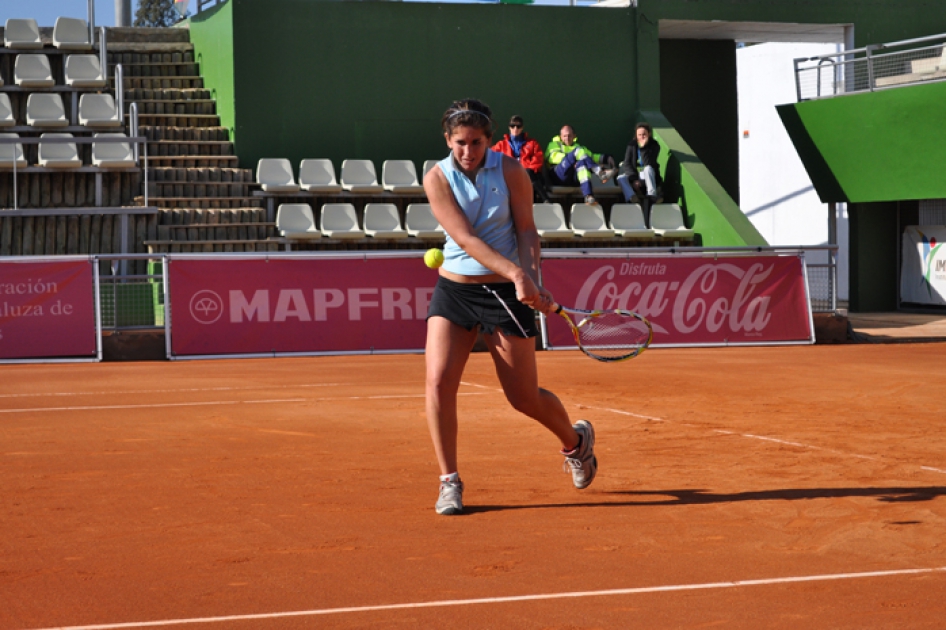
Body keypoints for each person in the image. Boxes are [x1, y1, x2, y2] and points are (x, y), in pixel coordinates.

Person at [422, 99, 598, 516]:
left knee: (523, 398)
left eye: (477, 142)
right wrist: (517, 274)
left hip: (505, 293)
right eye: (461, 143)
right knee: (438, 384)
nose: (468, 151)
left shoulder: (512, 171)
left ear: (489, 139)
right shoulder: (437, 177)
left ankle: (576, 443)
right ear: (448, 140)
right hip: (455, 291)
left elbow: (526, 230)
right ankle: (449, 481)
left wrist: (531, 275)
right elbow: (465, 239)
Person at [545, 125, 616, 206]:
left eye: (569, 135)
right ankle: (600, 173)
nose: (567, 138)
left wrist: (605, 158)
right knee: (578, 153)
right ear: (560, 136)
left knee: (582, 163)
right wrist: (572, 160)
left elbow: (591, 157)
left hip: (573, 179)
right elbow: (553, 157)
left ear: (574, 136)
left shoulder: (579, 147)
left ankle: (588, 196)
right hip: (559, 175)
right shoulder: (554, 144)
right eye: (564, 136)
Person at [491, 115, 550, 202]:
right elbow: (491, 157)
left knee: (529, 174)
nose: (515, 128)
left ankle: (543, 202)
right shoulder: (501, 145)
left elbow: (538, 158)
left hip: (528, 173)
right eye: (512, 126)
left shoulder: (532, 143)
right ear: (509, 127)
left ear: (522, 128)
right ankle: (545, 199)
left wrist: (526, 170)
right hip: (509, 174)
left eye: (518, 126)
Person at [617, 122, 663, 212]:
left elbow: (649, 163)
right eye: (639, 135)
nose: (641, 137)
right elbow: (627, 163)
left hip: (649, 177)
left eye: (644, 134)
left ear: (649, 134)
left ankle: (652, 196)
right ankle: (632, 198)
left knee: (648, 168)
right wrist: (634, 179)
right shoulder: (631, 145)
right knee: (620, 178)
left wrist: (643, 148)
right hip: (635, 176)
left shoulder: (654, 145)